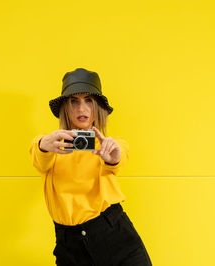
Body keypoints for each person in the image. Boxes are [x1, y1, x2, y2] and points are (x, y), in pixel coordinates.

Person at [29, 68, 153, 265]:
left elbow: (118, 157)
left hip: (113, 234)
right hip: (70, 245)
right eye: (74, 101)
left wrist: (113, 155)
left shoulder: (109, 145)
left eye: (88, 100)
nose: (81, 109)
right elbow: (37, 155)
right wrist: (44, 144)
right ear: (65, 108)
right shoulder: (52, 146)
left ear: (98, 107)